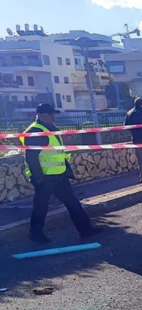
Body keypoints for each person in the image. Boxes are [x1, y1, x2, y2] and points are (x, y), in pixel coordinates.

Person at [21, 103, 101, 244]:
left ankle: (86, 230)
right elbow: (31, 158)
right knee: (41, 207)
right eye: (51, 114)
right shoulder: (35, 131)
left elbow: (59, 153)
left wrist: (67, 170)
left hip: (59, 175)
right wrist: (38, 178)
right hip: (45, 177)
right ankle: (35, 234)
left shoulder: (50, 129)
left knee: (72, 203)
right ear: (41, 115)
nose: (54, 116)